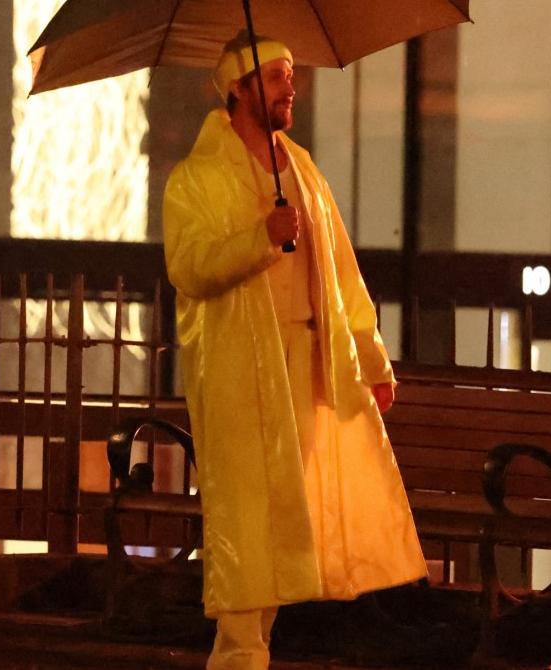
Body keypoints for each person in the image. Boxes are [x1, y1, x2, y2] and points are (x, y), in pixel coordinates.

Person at [162, 32, 426, 670]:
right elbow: (190, 268)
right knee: (250, 517)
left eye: (289, 75)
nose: (291, 88)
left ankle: (255, 652)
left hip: (305, 364)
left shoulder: (301, 170)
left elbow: (340, 274)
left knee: (288, 518)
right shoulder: (196, 178)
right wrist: (262, 238)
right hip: (240, 374)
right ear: (241, 87)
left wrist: (370, 360)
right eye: (278, 76)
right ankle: (239, 657)